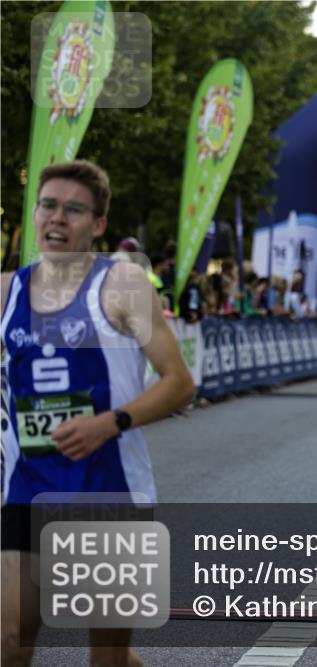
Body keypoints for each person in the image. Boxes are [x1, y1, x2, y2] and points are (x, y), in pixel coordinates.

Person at [1, 160, 196, 666]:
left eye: (74, 210)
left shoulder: (123, 285)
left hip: (109, 488)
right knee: (8, 639)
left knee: (107, 657)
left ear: (98, 224)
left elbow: (179, 383)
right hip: (27, 487)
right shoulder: (7, 291)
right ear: (34, 213)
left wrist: (109, 423)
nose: (57, 218)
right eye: (48, 205)